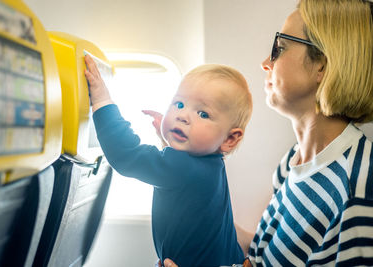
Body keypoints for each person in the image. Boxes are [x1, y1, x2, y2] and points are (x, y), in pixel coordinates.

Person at [158, 0, 373, 266]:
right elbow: (262, 252)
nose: (265, 63)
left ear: (322, 66)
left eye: (279, 48)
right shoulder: (293, 160)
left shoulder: (360, 185)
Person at [84, 58, 253, 267]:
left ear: (229, 139)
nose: (182, 116)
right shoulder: (211, 163)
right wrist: (167, 141)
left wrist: (102, 100)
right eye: (179, 104)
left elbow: (126, 155)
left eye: (203, 113)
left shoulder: (184, 168)